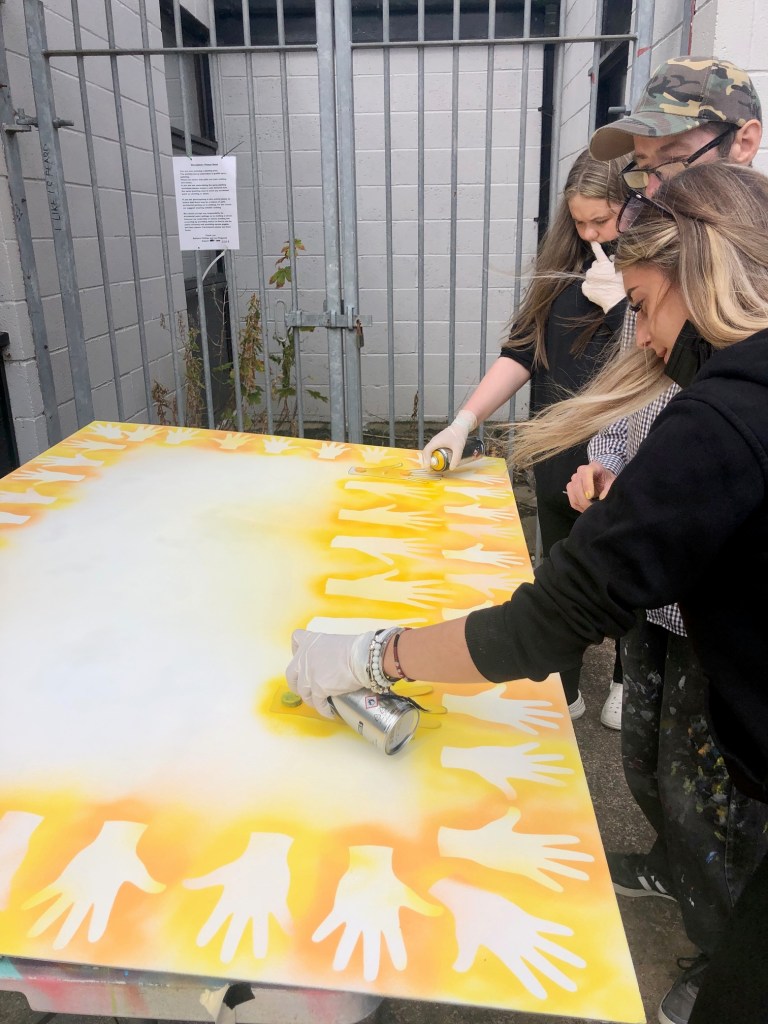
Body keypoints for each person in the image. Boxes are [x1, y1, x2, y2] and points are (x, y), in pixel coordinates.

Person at [286, 162, 768, 1024]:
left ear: (697, 271)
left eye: (644, 306)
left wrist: (374, 655)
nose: (644, 340)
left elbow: (552, 623)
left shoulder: (725, 414)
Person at [565, 56, 765, 1024]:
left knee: (715, 790)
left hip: (721, 596)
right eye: (642, 168)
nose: (650, 187)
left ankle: (723, 948)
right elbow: (633, 392)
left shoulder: (740, 265)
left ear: (744, 142)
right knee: (644, 754)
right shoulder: (663, 249)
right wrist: (610, 464)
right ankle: (675, 869)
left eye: (671, 158)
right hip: (660, 580)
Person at [422, 148, 627, 725]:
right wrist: (464, 421)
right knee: (560, 569)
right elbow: (522, 353)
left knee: (626, 568)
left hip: (623, 453)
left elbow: (667, 363)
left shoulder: (652, 270)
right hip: (559, 451)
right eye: (579, 221)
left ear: (632, 207)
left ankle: (626, 677)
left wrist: (623, 309)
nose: (590, 234)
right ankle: (564, 681)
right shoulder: (562, 268)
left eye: (602, 221)